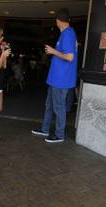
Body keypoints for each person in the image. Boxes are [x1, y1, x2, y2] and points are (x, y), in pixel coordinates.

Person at [31, 8, 77, 143]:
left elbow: (69, 57)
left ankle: (59, 134)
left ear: (58, 21)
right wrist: (55, 52)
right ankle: (45, 129)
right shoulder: (66, 33)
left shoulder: (68, 34)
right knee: (50, 105)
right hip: (56, 78)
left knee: (59, 107)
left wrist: (53, 51)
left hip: (61, 80)